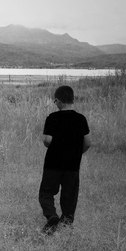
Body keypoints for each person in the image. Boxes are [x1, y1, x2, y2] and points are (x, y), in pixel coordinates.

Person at [39, 85, 91, 234]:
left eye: (55, 101)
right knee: (70, 194)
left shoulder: (52, 118)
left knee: (46, 192)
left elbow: (48, 140)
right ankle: (67, 222)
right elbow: (88, 142)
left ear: (58, 100)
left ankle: (52, 216)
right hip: (72, 164)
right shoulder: (81, 119)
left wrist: (48, 144)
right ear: (73, 99)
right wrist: (77, 153)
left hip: (53, 163)